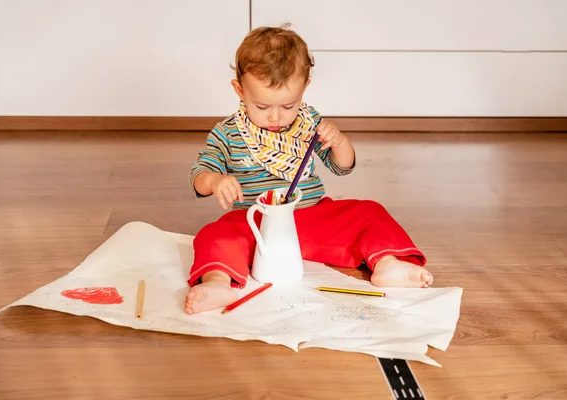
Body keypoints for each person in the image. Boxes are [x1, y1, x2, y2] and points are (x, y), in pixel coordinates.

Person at [184, 24, 432, 315]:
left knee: (370, 212)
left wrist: (339, 141)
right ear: (239, 90)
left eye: (288, 106)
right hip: (256, 226)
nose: (276, 117)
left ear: (305, 89)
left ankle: (388, 264)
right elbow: (199, 173)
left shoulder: (308, 123)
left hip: (311, 216)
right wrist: (215, 180)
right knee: (215, 234)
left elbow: (342, 167)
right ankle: (218, 283)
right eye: (262, 106)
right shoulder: (228, 133)